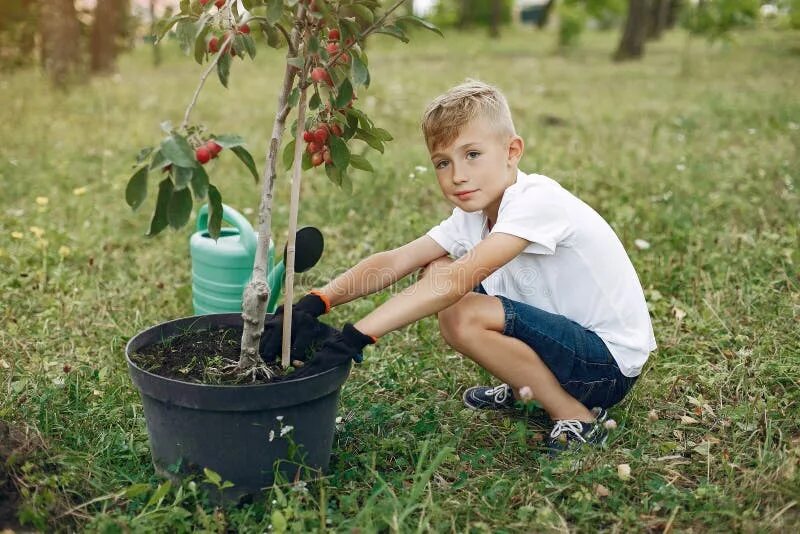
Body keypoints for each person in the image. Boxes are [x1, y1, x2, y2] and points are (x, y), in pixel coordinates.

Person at [260, 79, 656, 455]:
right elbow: (397, 260)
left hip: (605, 366)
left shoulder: (536, 201)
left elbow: (458, 282)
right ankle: (527, 384)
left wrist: (356, 336)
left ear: (512, 151)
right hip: (564, 343)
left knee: (459, 306)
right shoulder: (474, 212)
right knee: (436, 265)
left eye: (472, 155)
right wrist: (318, 301)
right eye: (442, 163)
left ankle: (574, 414)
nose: (457, 176)